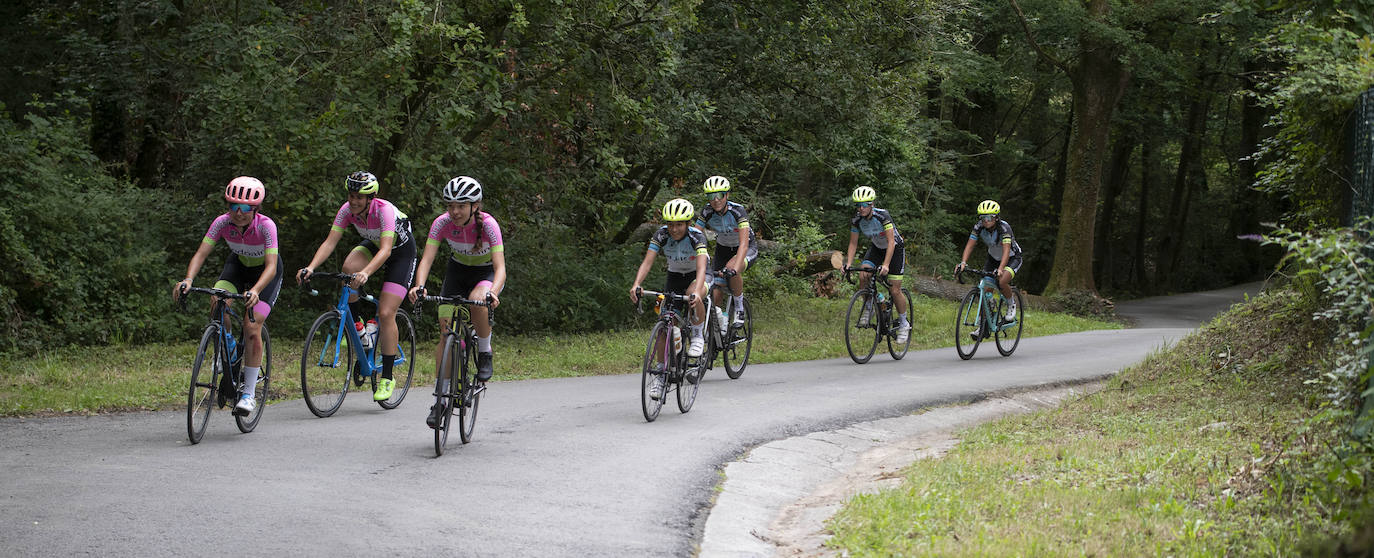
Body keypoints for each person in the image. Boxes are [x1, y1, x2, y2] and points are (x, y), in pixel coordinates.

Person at [297, 171, 417, 402]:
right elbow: (330, 241)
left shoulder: (384, 211)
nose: (353, 201)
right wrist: (310, 267)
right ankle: (361, 328)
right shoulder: (346, 210)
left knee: (385, 312)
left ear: (371, 198)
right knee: (347, 270)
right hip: (374, 244)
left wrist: (366, 272)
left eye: (359, 197)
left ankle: (388, 377)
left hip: (399, 252)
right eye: (351, 195)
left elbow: (385, 250)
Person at [172, 176, 282, 416]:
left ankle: (249, 394)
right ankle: (229, 347)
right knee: (217, 301)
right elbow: (201, 253)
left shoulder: (266, 226)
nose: (239, 213)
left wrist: (256, 290)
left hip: (265, 274)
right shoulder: (222, 223)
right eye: (233, 206)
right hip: (238, 266)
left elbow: (271, 266)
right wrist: (188, 279)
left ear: (256, 209)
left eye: (245, 208)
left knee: (252, 327)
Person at [408, 176, 507, 428]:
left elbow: (500, 268)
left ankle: (484, 351)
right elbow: (427, 259)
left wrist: (492, 292)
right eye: (450, 205)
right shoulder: (441, 223)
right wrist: (419, 286)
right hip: (457, 272)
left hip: (485, 274)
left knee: (477, 302)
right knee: (445, 333)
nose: (454, 211)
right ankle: (441, 399)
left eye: (461, 206)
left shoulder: (489, 226)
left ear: (475, 206)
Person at [629, 198, 710, 401]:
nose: (674, 229)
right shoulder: (661, 234)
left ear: (688, 224)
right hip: (674, 276)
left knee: (694, 295)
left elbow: (701, 268)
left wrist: (698, 292)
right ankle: (660, 374)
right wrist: (637, 283)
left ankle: (698, 335)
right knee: (665, 324)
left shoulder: (697, 237)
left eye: (679, 224)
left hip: (698, 274)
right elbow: (648, 262)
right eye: (671, 224)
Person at [842, 186, 911, 344]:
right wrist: (849, 264)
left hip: (894, 249)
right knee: (863, 275)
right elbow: (853, 244)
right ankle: (871, 304)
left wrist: (886, 265)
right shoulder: (857, 220)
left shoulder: (883, 216)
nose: (861, 208)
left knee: (894, 290)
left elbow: (891, 241)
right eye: (858, 205)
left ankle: (904, 323)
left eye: (865, 205)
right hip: (877, 249)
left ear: (872, 204)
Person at [694, 175, 757, 329]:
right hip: (722, 248)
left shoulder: (737, 211)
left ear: (727, 195)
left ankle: (739, 309)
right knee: (715, 290)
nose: (716, 200)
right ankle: (719, 324)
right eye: (711, 196)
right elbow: (694, 235)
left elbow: (743, 244)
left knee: (730, 269)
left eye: (720, 195)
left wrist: (735, 269)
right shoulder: (707, 211)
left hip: (746, 247)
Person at [955, 199, 1023, 337]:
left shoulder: (1004, 228)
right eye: (983, 218)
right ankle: (984, 325)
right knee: (985, 290)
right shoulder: (978, 227)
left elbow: (1006, 250)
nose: (985, 221)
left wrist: (1001, 268)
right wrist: (963, 262)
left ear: (996, 217)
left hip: (1011, 258)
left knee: (1002, 281)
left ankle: (1011, 304)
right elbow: (970, 245)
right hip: (993, 258)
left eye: (989, 217)